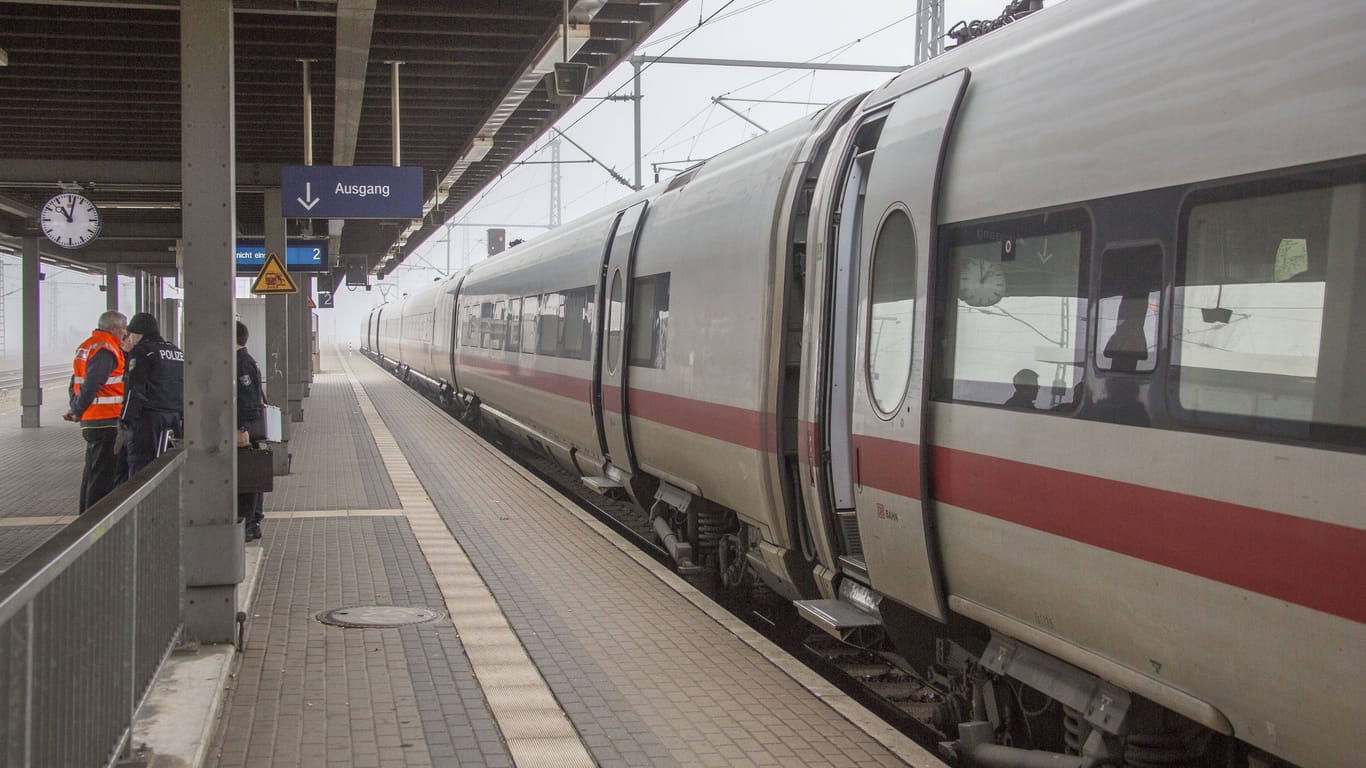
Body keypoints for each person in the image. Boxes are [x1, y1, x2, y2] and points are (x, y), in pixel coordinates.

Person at [65, 310, 128, 513]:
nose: (125, 333)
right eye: (123, 328)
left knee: (91, 471)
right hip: (106, 419)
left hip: (93, 419)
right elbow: (92, 384)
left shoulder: (87, 346)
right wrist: (76, 410)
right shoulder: (106, 349)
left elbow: (75, 381)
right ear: (113, 328)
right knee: (102, 475)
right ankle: (95, 521)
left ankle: (85, 514)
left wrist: (76, 408)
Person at [120, 312, 184, 478]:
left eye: (130, 335)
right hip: (174, 418)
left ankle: (143, 505)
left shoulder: (142, 352)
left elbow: (134, 388)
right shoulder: (176, 352)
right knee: (168, 465)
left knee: (141, 467)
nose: (129, 339)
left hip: (149, 420)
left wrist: (126, 419)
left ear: (138, 334)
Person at [236, 321, 266, 541]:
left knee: (246, 476)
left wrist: (241, 428)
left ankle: (250, 522)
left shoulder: (241, 363)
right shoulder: (247, 360)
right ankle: (253, 521)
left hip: (245, 430)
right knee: (253, 474)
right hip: (248, 427)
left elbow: (247, 398)